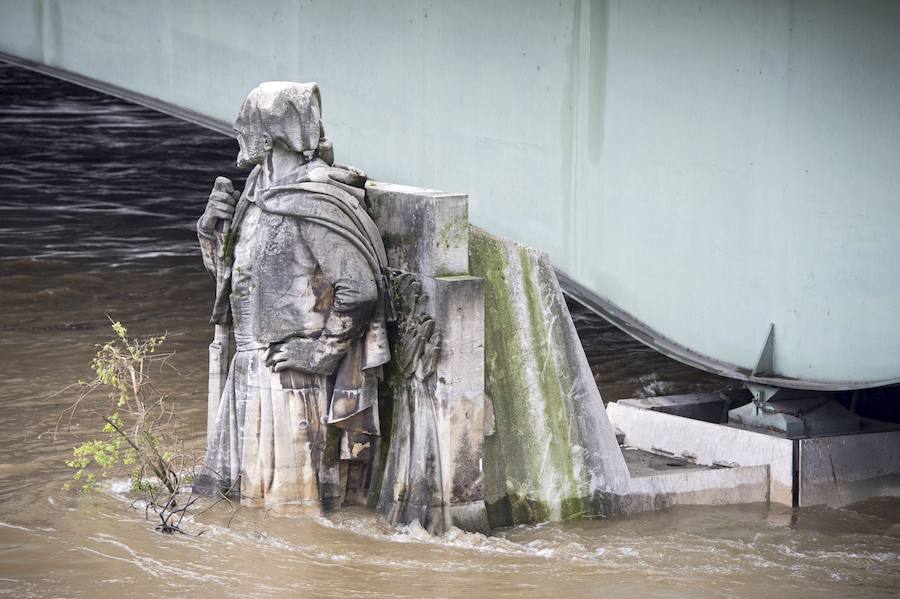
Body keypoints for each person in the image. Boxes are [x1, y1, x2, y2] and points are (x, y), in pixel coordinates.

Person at [194, 82, 390, 511]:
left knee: (289, 513)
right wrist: (211, 231)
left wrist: (319, 354)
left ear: (269, 135)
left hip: (288, 383)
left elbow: (359, 290)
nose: (239, 133)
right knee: (236, 507)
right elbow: (240, 283)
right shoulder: (256, 191)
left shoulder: (314, 199)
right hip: (249, 369)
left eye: (246, 124)